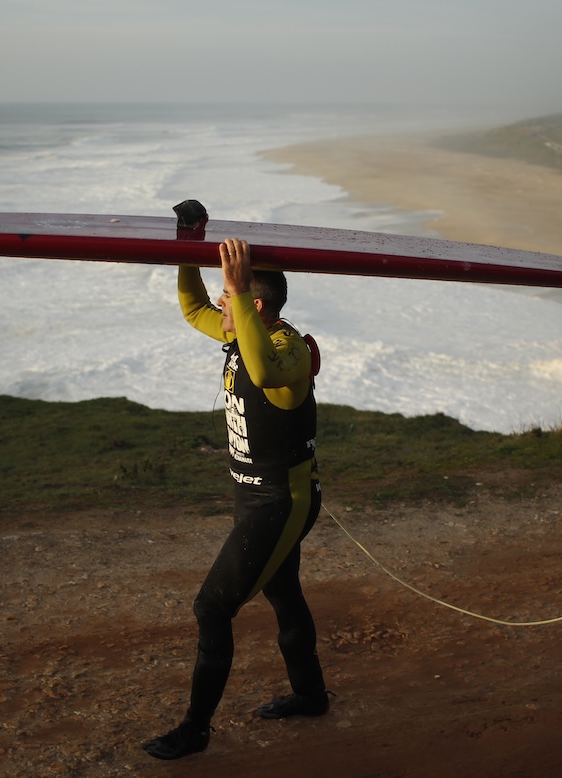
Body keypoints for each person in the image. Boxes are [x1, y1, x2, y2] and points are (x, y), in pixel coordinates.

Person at [142, 238, 330, 760]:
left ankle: (195, 730)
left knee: (211, 607)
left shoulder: (289, 353)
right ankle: (311, 695)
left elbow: (267, 373)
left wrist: (239, 290)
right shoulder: (239, 329)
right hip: (252, 497)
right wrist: (188, 247)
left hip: (281, 502)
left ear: (256, 304)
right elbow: (193, 308)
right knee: (283, 590)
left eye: (233, 298)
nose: (222, 305)